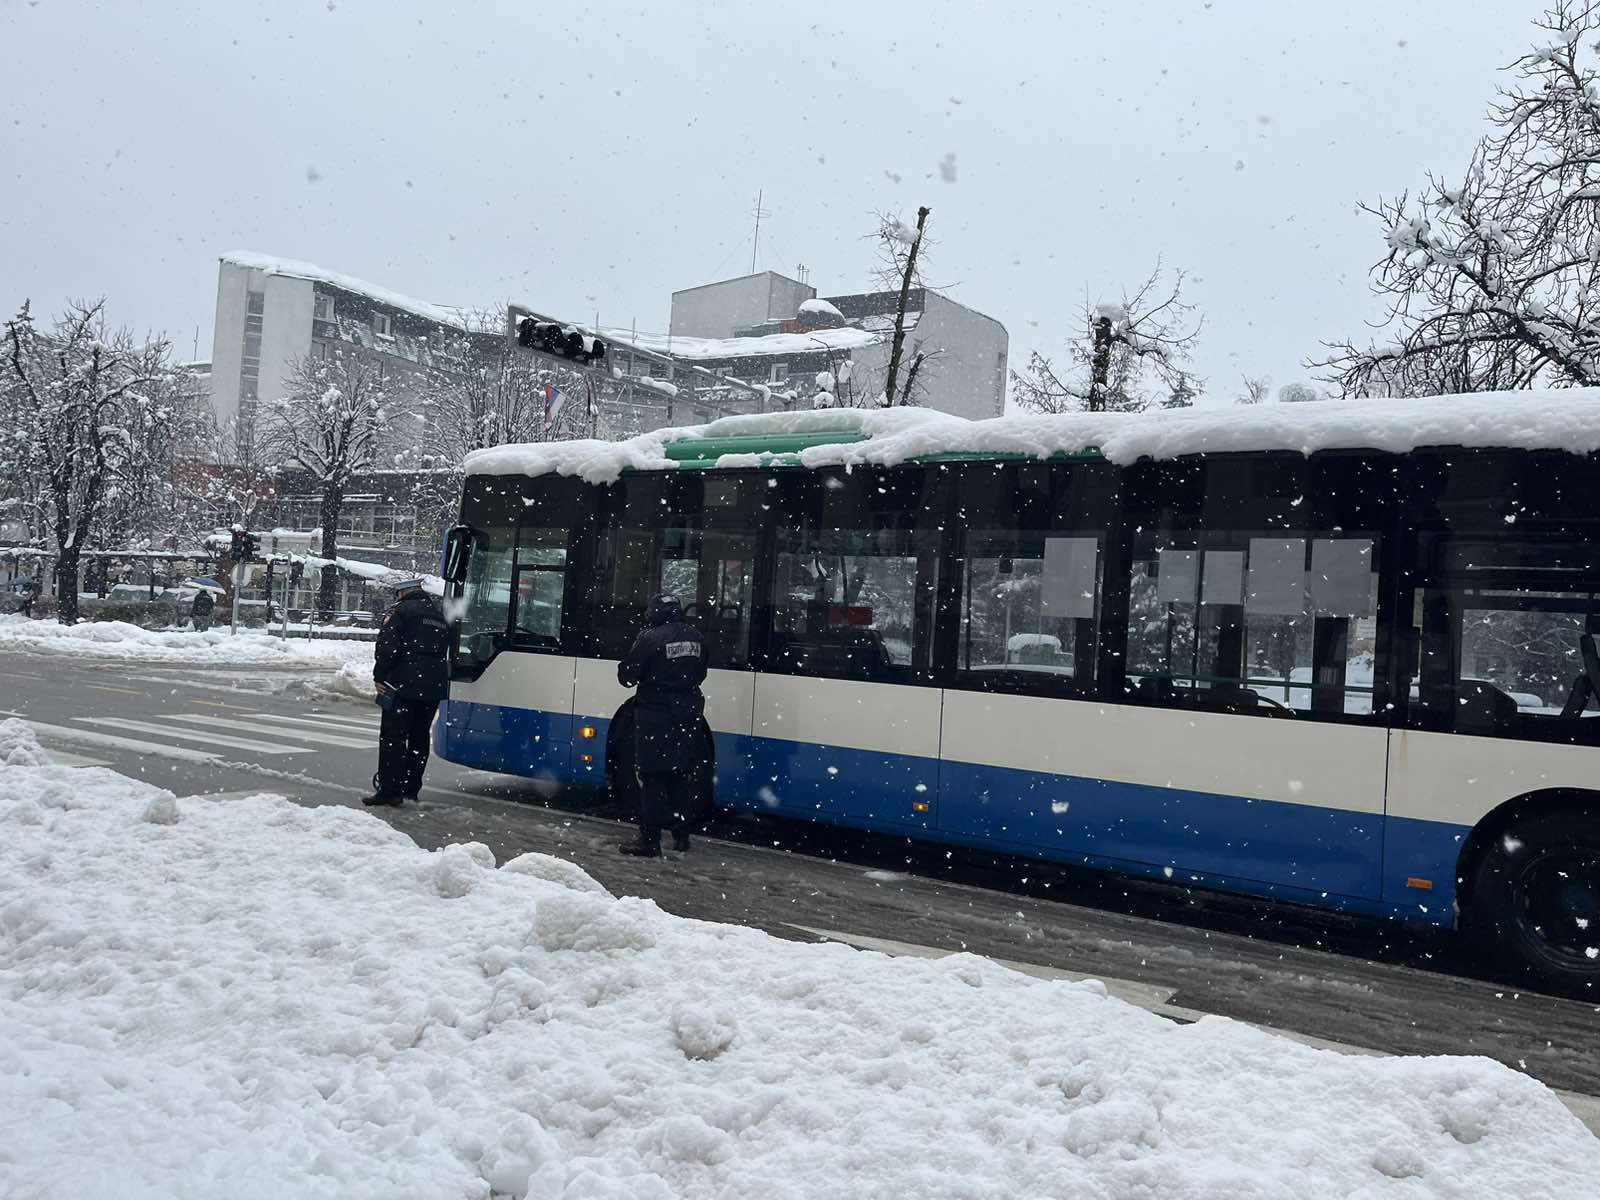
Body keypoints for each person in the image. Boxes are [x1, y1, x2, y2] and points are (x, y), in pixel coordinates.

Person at [616, 592, 708, 857]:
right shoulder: (696, 636)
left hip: (656, 715)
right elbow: (702, 672)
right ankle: (681, 836)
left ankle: (649, 840)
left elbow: (628, 675)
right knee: (679, 774)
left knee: (652, 776)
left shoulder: (650, 638)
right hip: (688, 711)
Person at [362, 576, 450, 808]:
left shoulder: (400, 611)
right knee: (419, 738)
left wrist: (379, 676)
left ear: (402, 593)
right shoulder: (438, 614)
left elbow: (387, 646)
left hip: (403, 684)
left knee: (394, 737)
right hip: (433, 686)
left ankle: (390, 790)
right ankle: (411, 788)